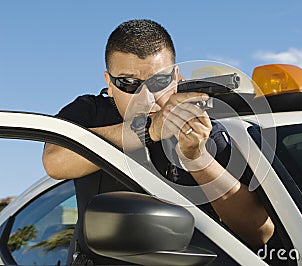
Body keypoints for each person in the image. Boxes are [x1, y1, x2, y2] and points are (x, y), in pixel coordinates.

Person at [42, 19, 274, 264]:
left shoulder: (203, 128)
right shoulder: (90, 112)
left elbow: (259, 232)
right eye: (129, 83)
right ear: (109, 84)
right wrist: (147, 130)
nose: (147, 96)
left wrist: (198, 158)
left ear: (176, 77)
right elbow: (55, 162)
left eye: (159, 81)